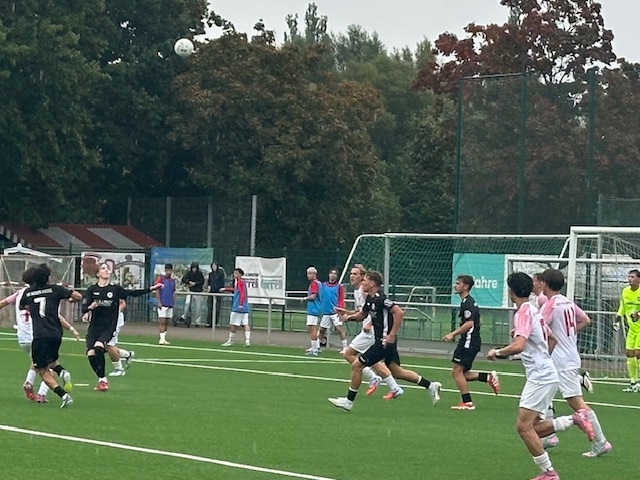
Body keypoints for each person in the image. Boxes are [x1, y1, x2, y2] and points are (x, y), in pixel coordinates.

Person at [488, 272, 594, 480]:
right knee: (534, 427)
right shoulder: (534, 310)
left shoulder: (523, 313)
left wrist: (497, 352)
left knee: (523, 427)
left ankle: (549, 472)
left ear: (511, 291)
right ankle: (573, 419)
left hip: (540, 375)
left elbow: (519, 345)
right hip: (546, 373)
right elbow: (552, 339)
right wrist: (543, 357)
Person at [328, 270, 442, 411]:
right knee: (397, 372)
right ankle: (430, 385)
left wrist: (391, 335)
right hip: (384, 342)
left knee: (357, 365)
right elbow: (362, 315)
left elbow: (399, 312)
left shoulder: (382, 299)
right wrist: (347, 317)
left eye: (365, 280)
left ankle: (349, 401)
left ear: (372, 283)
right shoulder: (370, 299)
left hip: (383, 342)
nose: (362, 283)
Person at [539, 268, 611, 458]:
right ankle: (548, 436)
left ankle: (601, 442)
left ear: (545, 284)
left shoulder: (550, 305)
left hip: (561, 360)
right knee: (544, 393)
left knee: (576, 402)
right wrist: (567, 335)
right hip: (567, 356)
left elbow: (539, 329)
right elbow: (585, 320)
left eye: (541, 281)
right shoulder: (567, 302)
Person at [0, 267, 80, 403]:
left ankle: (32, 383)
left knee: (40, 364)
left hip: (27, 336)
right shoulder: (54, 290)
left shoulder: (23, 293)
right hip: (49, 333)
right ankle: (47, 387)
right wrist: (71, 328)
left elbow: (12, 304)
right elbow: (74, 300)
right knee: (48, 364)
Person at [83, 263, 161, 391]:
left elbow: (132, 293)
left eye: (107, 269)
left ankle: (104, 380)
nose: (106, 270)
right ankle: (102, 379)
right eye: (103, 268)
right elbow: (84, 307)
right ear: (97, 274)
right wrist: (89, 309)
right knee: (91, 354)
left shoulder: (115, 289)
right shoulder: (92, 290)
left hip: (108, 326)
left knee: (98, 347)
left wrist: (151, 289)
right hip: (94, 327)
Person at [336, 264, 404, 399]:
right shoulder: (359, 292)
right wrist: (348, 315)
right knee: (375, 361)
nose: (352, 276)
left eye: (356, 274)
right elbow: (362, 312)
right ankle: (396, 387)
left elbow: (377, 310)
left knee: (351, 356)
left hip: (373, 332)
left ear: (363, 277)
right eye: (351, 273)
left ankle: (372, 380)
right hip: (373, 332)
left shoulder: (366, 292)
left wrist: (370, 324)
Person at [443, 274, 500, 410]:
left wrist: (452, 334)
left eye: (458, 283)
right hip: (471, 341)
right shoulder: (469, 302)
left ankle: (467, 402)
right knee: (461, 373)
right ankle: (488, 377)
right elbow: (479, 321)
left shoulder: (467, 303)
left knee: (457, 371)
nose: (455, 286)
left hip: (468, 342)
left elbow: (469, 323)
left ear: (466, 286)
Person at [615, 268, 640, 392]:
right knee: (629, 353)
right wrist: (618, 317)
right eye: (629, 277)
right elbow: (623, 306)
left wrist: (638, 314)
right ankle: (633, 381)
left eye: (633, 277)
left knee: (638, 353)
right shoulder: (625, 291)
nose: (630, 279)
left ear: (639, 279)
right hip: (632, 329)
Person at [317, 268, 349, 352]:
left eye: (335, 274)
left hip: (335, 312)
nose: (333, 275)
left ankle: (345, 347)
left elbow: (341, 299)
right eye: (331, 273)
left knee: (339, 329)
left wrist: (340, 309)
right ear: (329, 275)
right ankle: (316, 346)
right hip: (326, 312)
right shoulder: (323, 285)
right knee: (322, 330)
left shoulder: (339, 286)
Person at [220, 268, 251, 347]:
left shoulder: (240, 282)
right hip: (245, 307)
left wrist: (240, 304)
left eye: (236, 273)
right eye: (234, 273)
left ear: (240, 274)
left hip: (238, 307)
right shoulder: (242, 282)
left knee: (233, 324)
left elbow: (242, 293)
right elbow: (237, 290)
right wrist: (226, 289)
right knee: (245, 324)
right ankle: (247, 341)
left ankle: (231, 340)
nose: (234, 275)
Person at [106, 299, 136, 377]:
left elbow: (122, 303)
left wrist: (115, 313)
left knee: (108, 345)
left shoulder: (114, 292)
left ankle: (119, 369)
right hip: (105, 319)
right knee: (103, 345)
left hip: (114, 321)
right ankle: (127, 354)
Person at [301, 266, 322, 356]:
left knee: (312, 328)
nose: (308, 275)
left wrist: (305, 298)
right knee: (313, 328)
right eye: (307, 273)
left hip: (314, 309)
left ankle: (314, 349)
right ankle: (316, 347)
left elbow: (313, 296)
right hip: (316, 308)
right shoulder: (319, 283)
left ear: (314, 274)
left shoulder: (314, 284)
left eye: (310, 273)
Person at [155, 263, 177, 345]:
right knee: (162, 321)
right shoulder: (161, 279)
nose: (168, 272)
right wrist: (159, 301)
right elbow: (157, 290)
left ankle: (164, 338)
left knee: (167, 322)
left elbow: (173, 292)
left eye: (170, 270)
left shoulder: (172, 281)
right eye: (167, 270)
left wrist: (174, 303)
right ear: (165, 270)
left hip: (169, 303)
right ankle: (161, 339)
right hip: (162, 303)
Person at [180, 261, 205, 326]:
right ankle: (184, 316)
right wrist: (189, 282)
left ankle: (197, 322)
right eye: (193, 268)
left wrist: (195, 283)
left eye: (195, 268)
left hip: (198, 292)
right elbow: (183, 279)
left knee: (198, 307)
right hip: (190, 291)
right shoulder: (189, 273)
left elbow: (202, 281)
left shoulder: (200, 273)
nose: (194, 269)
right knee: (187, 303)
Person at [207, 261, 226, 326]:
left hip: (218, 292)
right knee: (210, 307)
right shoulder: (210, 274)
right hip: (211, 292)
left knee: (217, 307)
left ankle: (215, 322)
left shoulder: (220, 274)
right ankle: (209, 322)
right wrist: (209, 287)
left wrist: (221, 289)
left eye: (215, 266)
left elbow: (222, 282)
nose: (213, 267)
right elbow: (209, 282)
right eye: (212, 266)